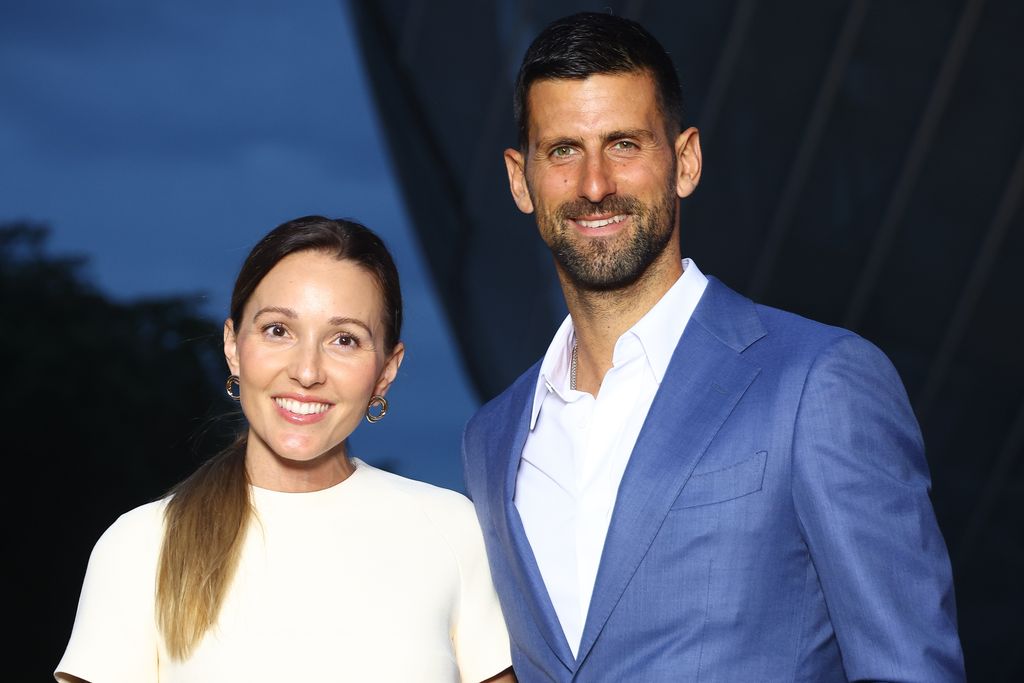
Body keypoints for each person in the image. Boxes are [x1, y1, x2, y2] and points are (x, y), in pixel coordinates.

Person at [461, 12, 965, 682]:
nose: (593, 184)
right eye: (563, 151)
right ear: (520, 180)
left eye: (624, 145)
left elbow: (909, 668)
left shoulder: (818, 382)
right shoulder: (490, 438)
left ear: (686, 161)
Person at [56, 216, 515, 683]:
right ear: (234, 346)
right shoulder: (140, 545)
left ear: (386, 370)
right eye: (278, 330)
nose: (307, 370)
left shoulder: (452, 530)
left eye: (345, 340)